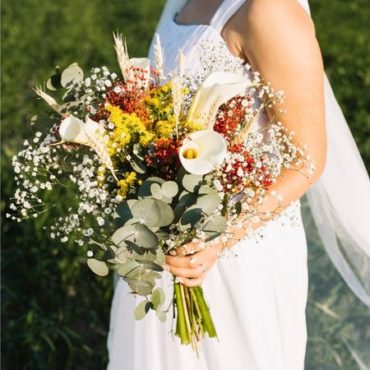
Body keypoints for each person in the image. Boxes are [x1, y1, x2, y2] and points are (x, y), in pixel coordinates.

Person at [106, 1, 370, 369]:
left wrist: (216, 240)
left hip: (237, 250)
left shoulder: (269, 12)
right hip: (165, 238)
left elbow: (306, 163)